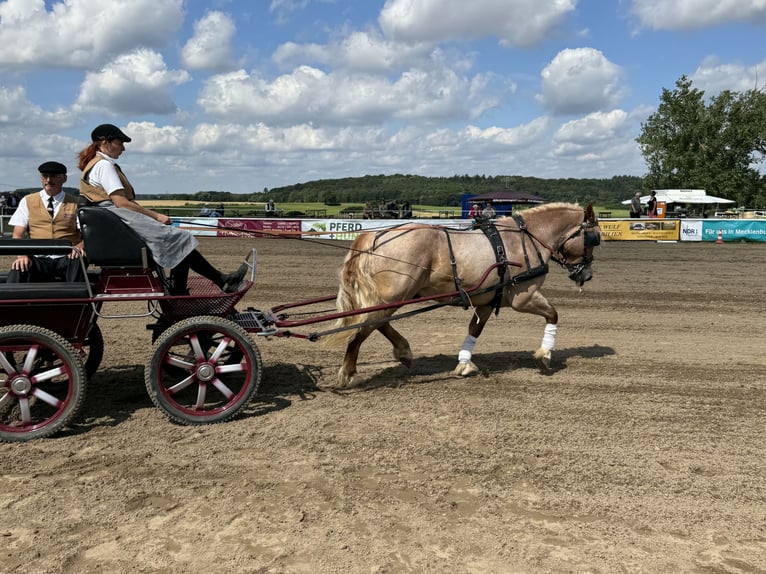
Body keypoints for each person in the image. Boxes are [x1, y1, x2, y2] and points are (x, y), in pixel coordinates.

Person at [77, 124, 247, 295]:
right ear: (104, 142)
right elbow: (121, 202)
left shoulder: (97, 164)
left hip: (114, 218)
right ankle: (209, 284)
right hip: (118, 217)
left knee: (178, 240)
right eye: (120, 142)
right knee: (179, 239)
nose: (123, 148)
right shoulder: (104, 166)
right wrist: (157, 216)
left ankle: (207, 284)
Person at [6, 161, 86, 283]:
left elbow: (87, 233)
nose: (48, 180)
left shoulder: (76, 203)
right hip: (38, 257)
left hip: (66, 256)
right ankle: (9, 300)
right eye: (45, 176)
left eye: (54, 176)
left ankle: (80, 300)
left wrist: (79, 247)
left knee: (78, 261)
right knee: (19, 267)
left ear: (64, 178)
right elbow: (18, 234)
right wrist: (22, 255)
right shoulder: (28, 201)